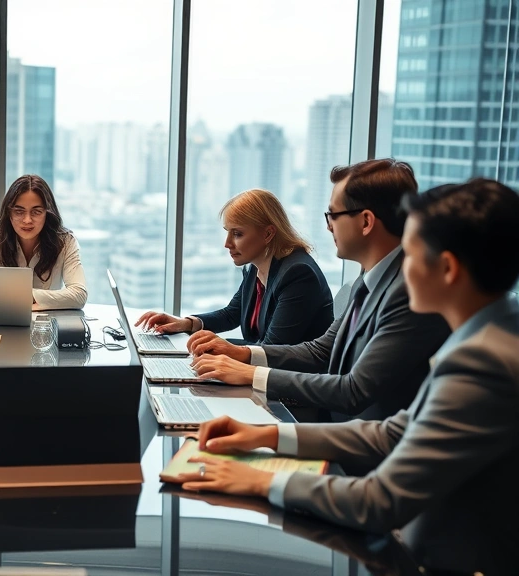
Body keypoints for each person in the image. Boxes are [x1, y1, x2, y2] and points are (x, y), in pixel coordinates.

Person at [171, 178, 519, 575]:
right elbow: (393, 431)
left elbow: (379, 499)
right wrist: (266, 435)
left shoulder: (482, 361)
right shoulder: (486, 336)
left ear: (447, 268)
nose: (402, 265)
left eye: (413, 251)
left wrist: (259, 481)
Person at [186, 159, 450, 422]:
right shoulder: (367, 279)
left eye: (333, 215)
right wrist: (241, 353)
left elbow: (353, 391)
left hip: (358, 445)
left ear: (366, 222)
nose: (328, 225)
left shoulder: (408, 292)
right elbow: (320, 350)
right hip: (339, 429)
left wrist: (249, 373)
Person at [136, 188, 333, 346]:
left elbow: (274, 349)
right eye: (227, 233)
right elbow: (232, 314)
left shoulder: (298, 273)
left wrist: (219, 347)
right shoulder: (256, 266)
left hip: (290, 386)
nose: (227, 243)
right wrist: (186, 324)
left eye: (237, 234)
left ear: (267, 234)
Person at [0, 174, 87, 310]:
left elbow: (79, 295)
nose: (27, 220)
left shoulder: (66, 241)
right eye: (19, 212)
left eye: (36, 212)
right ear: (9, 213)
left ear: (47, 213)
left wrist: (24, 295)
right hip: (3, 324)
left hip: (46, 326)